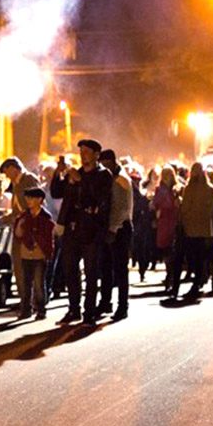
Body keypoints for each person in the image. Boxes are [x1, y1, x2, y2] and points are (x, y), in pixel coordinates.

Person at [50, 139, 112, 326]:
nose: (83, 155)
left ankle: (90, 311)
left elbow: (98, 199)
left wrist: (81, 181)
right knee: (70, 270)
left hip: (92, 230)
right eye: (81, 151)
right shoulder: (74, 174)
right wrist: (58, 172)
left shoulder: (103, 175)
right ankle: (73, 308)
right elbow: (56, 192)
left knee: (91, 272)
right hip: (72, 229)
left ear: (96, 155)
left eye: (87, 151)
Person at [0, 157, 40, 314]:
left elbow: (33, 206)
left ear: (13, 168)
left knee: (30, 267)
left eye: (7, 172)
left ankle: (34, 302)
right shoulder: (16, 184)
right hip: (19, 230)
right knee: (19, 267)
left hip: (30, 231)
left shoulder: (28, 180)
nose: (6, 176)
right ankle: (25, 302)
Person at [98, 149, 133, 321]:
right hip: (110, 228)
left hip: (119, 229)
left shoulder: (120, 180)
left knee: (120, 270)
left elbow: (121, 209)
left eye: (104, 163)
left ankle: (122, 306)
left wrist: (112, 230)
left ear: (111, 162)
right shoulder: (111, 178)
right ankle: (105, 302)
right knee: (106, 268)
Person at [13, 187, 54, 320]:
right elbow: (18, 234)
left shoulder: (45, 217)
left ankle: (41, 309)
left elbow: (48, 237)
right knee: (26, 283)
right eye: (27, 198)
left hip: (39, 255)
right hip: (26, 253)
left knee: (38, 283)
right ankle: (26, 309)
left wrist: (44, 249)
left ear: (39, 200)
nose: (28, 201)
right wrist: (20, 224)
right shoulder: (24, 216)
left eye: (31, 198)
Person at [176, 162, 213, 302]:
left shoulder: (189, 188)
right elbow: (210, 209)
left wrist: (184, 219)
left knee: (193, 257)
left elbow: (185, 208)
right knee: (202, 257)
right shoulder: (210, 189)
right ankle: (200, 280)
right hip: (204, 229)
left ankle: (196, 282)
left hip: (191, 229)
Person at [152, 166, 180, 289]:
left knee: (170, 251)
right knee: (169, 251)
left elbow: (156, 204)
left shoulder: (175, 189)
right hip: (167, 222)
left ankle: (170, 276)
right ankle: (170, 275)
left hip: (169, 222)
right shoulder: (168, 189)